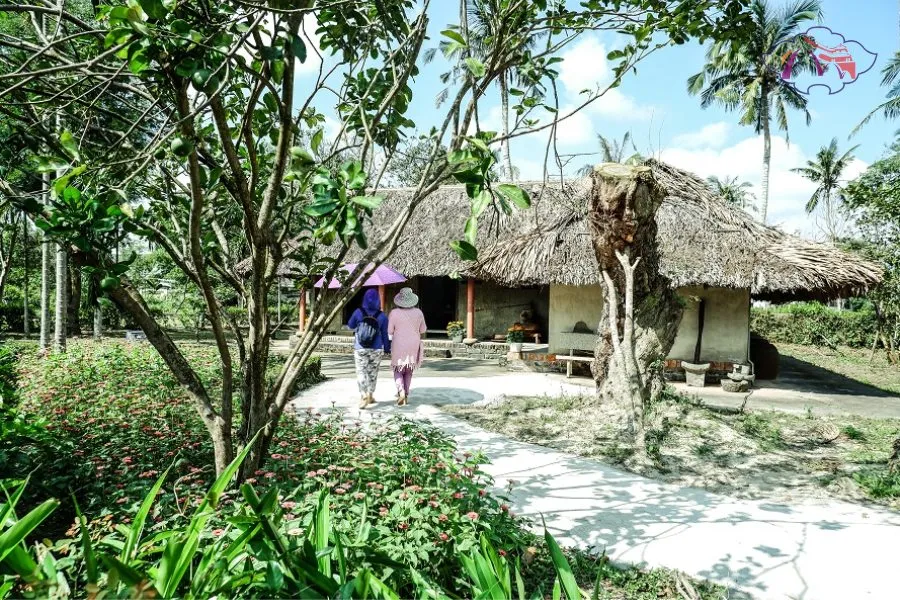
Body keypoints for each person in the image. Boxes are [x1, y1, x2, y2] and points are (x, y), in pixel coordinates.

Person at [347, 288, 390, 409]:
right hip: (376, 349)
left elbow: (350, 325)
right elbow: (385, 334)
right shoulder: (382, 316)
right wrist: (387, 348)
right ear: (378, 300)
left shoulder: (358, 312)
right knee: (373, 372)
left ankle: (363, 395)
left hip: (360, 347)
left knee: (361, 371)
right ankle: (370, 395)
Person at [388, 287, 427, 406]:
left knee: (398, 369)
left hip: (398, 343)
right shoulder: (419, 312)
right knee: (409, 371)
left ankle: (401, 392)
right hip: (413, 343)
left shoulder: (394, 313)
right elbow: (423, 329)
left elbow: (390, 330)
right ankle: (406, 394)